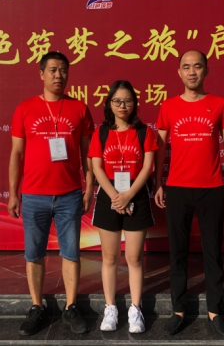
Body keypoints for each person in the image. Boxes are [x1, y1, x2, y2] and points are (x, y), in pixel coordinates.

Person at [7, 51, 94, 336]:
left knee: (71, 252)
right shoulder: (25, 109)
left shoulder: (79, 109)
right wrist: (13, 193)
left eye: (63, 70)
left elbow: (87, 154)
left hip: (69, 194)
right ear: (42, 73)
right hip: (34, 195)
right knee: (34, 254)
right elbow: (17, 154)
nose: (59, 75)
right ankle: (37, 306)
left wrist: (89, 187)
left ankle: (71, 307)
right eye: (53, 70)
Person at [154, 50, 224, 338]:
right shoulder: (168, 106)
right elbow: (160, 148)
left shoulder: (220, 104)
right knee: (177, 252)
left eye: (197, 66)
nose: (192, 72)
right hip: (177, 188)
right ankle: (178, 310)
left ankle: (215, 310)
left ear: (206, 70)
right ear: (179, 72)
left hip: (211, 188)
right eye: (186, 67)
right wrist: (158, 182)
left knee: (213, 251)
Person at [88, 80, 158, 334]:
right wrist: (115, 197)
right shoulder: (101, 133)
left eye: (128, 100)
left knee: (134, 259)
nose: (122, 105)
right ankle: (110, 308)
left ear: (134, 104)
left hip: (135, 195)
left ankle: (135, 309)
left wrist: (127, 195)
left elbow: (148, 167)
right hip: (109, 195)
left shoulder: (144, 132)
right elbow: (97, 167)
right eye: (117, 101)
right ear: (109, 103)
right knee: (109, 258)